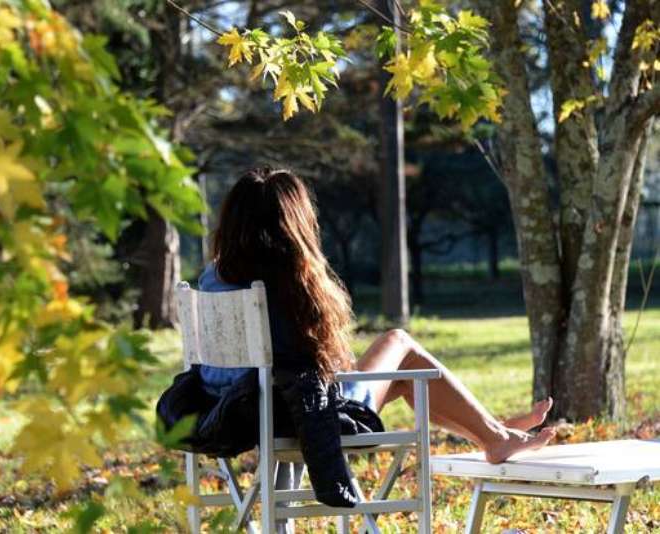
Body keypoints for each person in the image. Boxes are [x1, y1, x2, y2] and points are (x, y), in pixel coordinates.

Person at [197, 166, 556, 466]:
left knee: (402, 376)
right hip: (302, 417)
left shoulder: (213, 277)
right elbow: (320, 363)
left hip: (228, 413)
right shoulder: (285, 279)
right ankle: (494, 435)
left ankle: (493, 431)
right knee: (399, 343)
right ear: (295, 222)